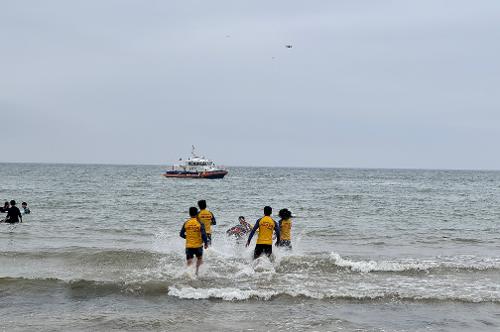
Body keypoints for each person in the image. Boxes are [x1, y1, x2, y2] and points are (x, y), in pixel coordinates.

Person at [180, 207, 209, 275]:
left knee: (189, 261)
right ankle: (196, 272)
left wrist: (188, 237)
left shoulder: (186, 223)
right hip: (198, 246)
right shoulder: (200, 223)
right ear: (197, 214)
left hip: (189, 246)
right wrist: (206, 243)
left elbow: (181, 234)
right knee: (199, 259)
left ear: (189, 214)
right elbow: (203, 235)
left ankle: (188, 273)